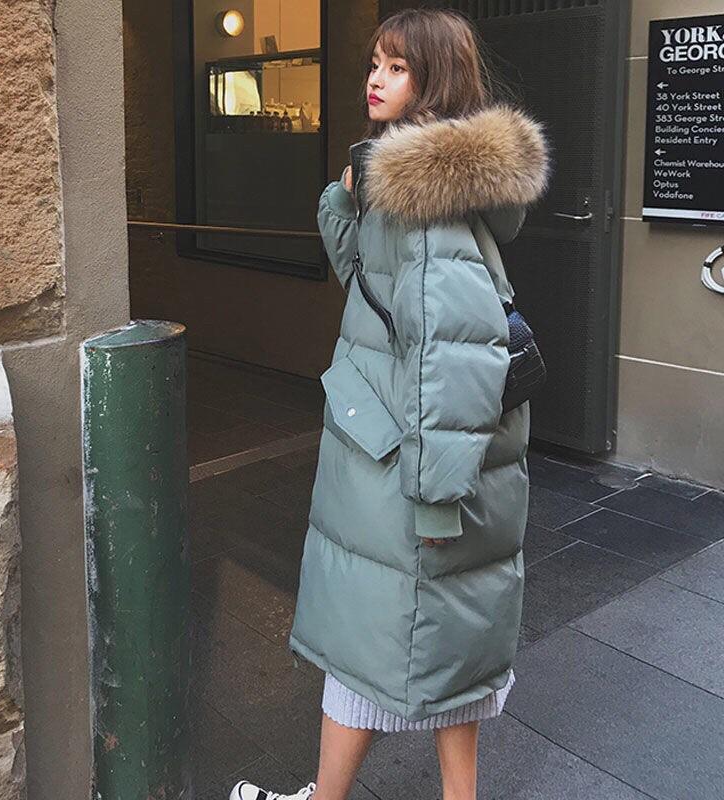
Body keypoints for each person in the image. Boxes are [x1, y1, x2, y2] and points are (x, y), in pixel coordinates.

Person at [230, 8, 551, 800]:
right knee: (443, 642)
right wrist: (346, 202)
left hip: (409, 466)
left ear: (434, 80)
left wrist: (436, 501)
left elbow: (451, 358)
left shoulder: (424, 203)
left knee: (370, 642)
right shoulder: (412, 183)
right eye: (375, 62)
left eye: (397, 66)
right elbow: (374, 288)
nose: (375, 78)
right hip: (414, 452)